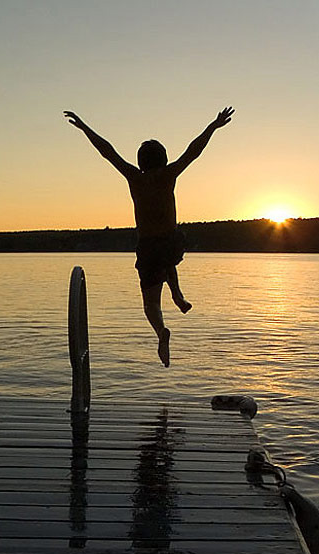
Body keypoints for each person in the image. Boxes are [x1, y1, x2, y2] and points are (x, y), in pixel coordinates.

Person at [64, 107, 234, 367]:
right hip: (172, 243)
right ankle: (177, 294)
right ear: (163, 159)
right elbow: (193, 151)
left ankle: (161, 331)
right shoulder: (168, 175)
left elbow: (107, 151)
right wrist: (214, 125)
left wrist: (84, 127)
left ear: (141, 161)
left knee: (151, 305)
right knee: (170, 253)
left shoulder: (134, 177)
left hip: (149, 247)